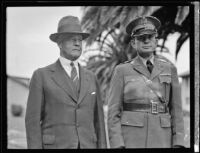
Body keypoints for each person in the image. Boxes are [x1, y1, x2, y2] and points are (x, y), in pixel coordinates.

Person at [25, 16, 107, 149]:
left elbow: (99, 123)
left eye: (80, 40)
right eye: (72, 39)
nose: (77, 43)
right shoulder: (41, 76)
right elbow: (32, 122)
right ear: (60, 43)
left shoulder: (92, 77)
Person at [107, 16, 185, 148]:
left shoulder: (169, 69)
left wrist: (178, 142)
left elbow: (176, 110)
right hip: (131, 138)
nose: (146, 41)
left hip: (162, 138)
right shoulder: (122, 70)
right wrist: (117, 144)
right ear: (133, 43)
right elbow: (113, 112)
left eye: (150, 37)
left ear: (156, 41)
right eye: (141, 38)